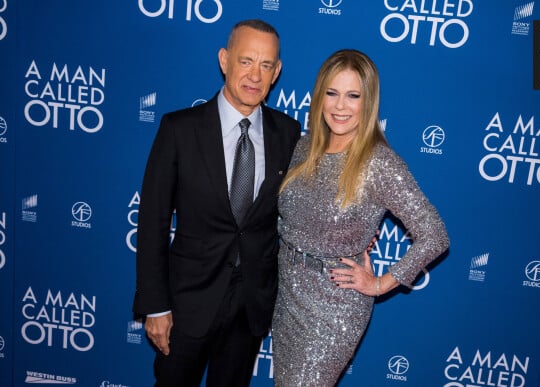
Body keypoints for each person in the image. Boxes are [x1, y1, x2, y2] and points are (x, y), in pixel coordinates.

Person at [132, 19, 301, 386]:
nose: (255, 75)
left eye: (266, 65)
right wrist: (155, 306)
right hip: (186, 304)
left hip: (250, 306)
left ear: (277, 72)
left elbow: (302, 208)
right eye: (246, 61)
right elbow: (152, 223)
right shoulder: (179, 129)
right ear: (224, 60)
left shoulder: (288, 133)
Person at [271, 49, 450, 386]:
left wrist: (382, 283)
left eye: (353, 96)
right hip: (287, 296)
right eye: (332, 93)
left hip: (335, 308)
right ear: (319, 95)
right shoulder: (302, 147)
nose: (340, 106)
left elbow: (435, 234)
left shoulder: (379, 163)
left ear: (368, 103)